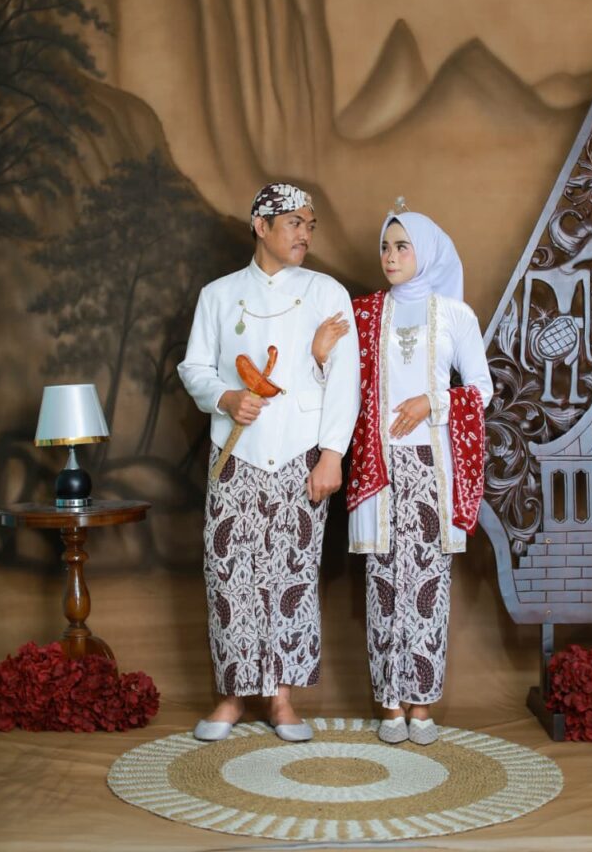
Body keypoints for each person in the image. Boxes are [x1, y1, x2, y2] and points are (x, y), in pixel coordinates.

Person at [178, 183, 360, 742]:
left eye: (310, 225)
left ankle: (281, 700)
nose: (305, 234)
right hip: (236, 456)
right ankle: (231, 697)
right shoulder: (218, 295)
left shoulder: (327, 292)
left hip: (302, 455)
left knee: (291, 575)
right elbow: (194, 368)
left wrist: (332, 456)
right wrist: (226, 397)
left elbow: (346, 381)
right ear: (261, 226)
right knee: (228, 573)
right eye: (294, 223)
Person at [323, 202, 493, 744]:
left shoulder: (455, 315)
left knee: (428, 587)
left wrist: (431, 403)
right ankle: (390, 705)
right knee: (383, 586)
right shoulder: (364, 315)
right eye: (385, 247)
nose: (390, 256)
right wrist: (320, 352)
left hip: (432, 468)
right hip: (379, 466)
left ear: (427, 252)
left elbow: (482, 390)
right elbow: (339, 382)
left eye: (402, 247)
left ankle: (422, 705)